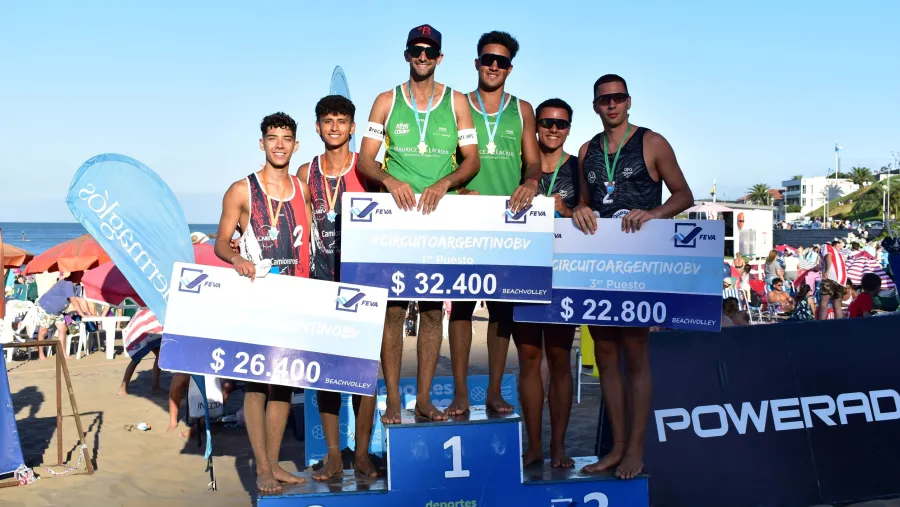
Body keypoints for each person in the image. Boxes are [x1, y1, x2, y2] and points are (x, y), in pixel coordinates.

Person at [356, 24, 484, 423]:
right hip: (396, 216)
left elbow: (472, 160)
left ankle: (424, 399)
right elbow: (366, 160)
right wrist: (390, 180)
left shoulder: (458, 101)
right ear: (407, 54)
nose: (423, 57)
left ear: (440, 57)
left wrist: (446, 183)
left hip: (438, 217)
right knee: (392, 310)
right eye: (416, 50)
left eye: (430, 51)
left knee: (431, 310)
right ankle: (394, 397)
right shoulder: (386, 100)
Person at [571, 74, 694, 479]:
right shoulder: (587, 150)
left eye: (618, 98)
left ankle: (636, 450)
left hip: (640, 264)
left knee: (636, 358)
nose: (611, 104)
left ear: (628, 102)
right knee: (605, 356)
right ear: (595, 105)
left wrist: (656, 214)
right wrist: (577, 211)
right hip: (599, 266)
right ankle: (617, 447)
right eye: (604, 99)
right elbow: (585, 204)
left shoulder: (652, 142)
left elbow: (683, 194)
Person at [213, 112, 312, 492]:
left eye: (286, 138)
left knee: (285, 383)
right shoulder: (242, 189)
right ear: (262, 143)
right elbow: (222, 241)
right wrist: (236, 258)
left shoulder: (302, 189)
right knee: (256, 383)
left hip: (296, 296)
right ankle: (261, 468)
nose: (280, 144)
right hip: (258, 297)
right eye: (273, 138)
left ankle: (273, 463)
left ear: (296, 144)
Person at [447, 30, 541, 417]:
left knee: (502, 312)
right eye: (488, 59)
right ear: (476, 62)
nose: (494, 66)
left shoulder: (522, 109)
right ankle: (459, 394)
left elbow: (532, 160)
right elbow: (447, 160)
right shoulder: (455, 103)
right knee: (462, 309)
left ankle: (494, 392)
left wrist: (532, 181)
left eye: (501, 61)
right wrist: (454, 193)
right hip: (465, 218)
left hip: (508, 222)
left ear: (510, 68)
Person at [295, 95, 378, 480]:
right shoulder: (303, 171)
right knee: (327, 373)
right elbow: (292, 226)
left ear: (352, 127)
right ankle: (332, 454)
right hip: (320, 283)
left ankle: (361, 454)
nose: (334, 127)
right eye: (327, 121)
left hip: (362, 285)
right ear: (317, 127)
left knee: (363, 373)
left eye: (341, 121)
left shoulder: (366, 167)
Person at [514, 97, 579, 469]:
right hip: (524, 269)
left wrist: (566, 211)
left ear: (569, 128)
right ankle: (535, 445)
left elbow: (589, 213)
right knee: (528, 359)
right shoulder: (523, 165)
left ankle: (558, 445)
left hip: (566, 270)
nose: (553, 129)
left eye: (561, 123)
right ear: (536, 124)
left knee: (559, 359)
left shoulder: (579, 166)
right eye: (547, 122)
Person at [34, 272, 96, 360]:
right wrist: (81, 314)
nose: (83, 276)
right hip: (47, 308)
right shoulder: (68, 283)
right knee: (43, 331)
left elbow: (81, 299)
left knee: (63, 329)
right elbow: (73, 300)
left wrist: (88, 313)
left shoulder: (77, 286)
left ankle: (62, 352)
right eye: (81, 274)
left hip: (59, 311)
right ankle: (41, 354)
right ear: (75, 274)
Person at [818, 239, 847, 320]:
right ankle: (838, 327)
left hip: (831, 277)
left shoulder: (826, 246)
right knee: (837, 305)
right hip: (842, 281)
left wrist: (826, 271)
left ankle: (821, 326)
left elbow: (828, 256)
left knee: (824, 303)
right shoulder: (840, 255)